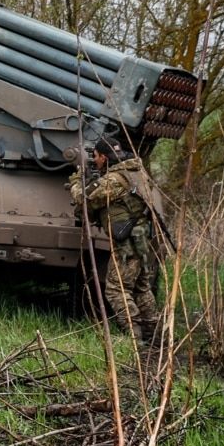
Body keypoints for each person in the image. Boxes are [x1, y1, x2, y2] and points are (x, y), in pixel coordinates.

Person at [69, 138, 163, 344]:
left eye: (96, 157)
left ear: (104, 156)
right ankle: (155, 333)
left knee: (116, 288)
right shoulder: (136, 172)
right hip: (142, 237)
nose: (95, 161)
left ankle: (134, 334)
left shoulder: (113, 180)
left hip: (127, 242)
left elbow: (84, 197)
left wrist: (76, 181)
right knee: (141, 287)